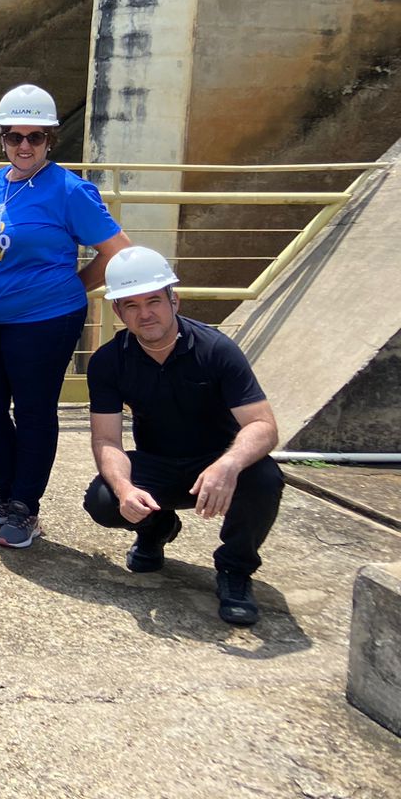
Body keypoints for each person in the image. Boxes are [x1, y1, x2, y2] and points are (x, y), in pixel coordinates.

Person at [0, 84, 131, 549]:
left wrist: (72, 287)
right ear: (2, 139)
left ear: (50, 139)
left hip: (44, 322)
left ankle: (25, 507)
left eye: (35, 137)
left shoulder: (68, 190)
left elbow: (117, 251)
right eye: (14, 137)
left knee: (32, 411)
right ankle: (7, 492)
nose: (24, 146)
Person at [83, 246, 283, 626]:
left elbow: (263, 425)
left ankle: (235, 571)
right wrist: (126, 490)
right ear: (118, 312)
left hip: (217, 462)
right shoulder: (110, 361)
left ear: (174, 299)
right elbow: (106, 440)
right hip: (159, 463)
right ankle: (156, 529)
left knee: (265, 477)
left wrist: (228, 465)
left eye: (154, 301)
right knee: (104, 498)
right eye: (131, 305)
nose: (145, 314)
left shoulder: (216, 349)